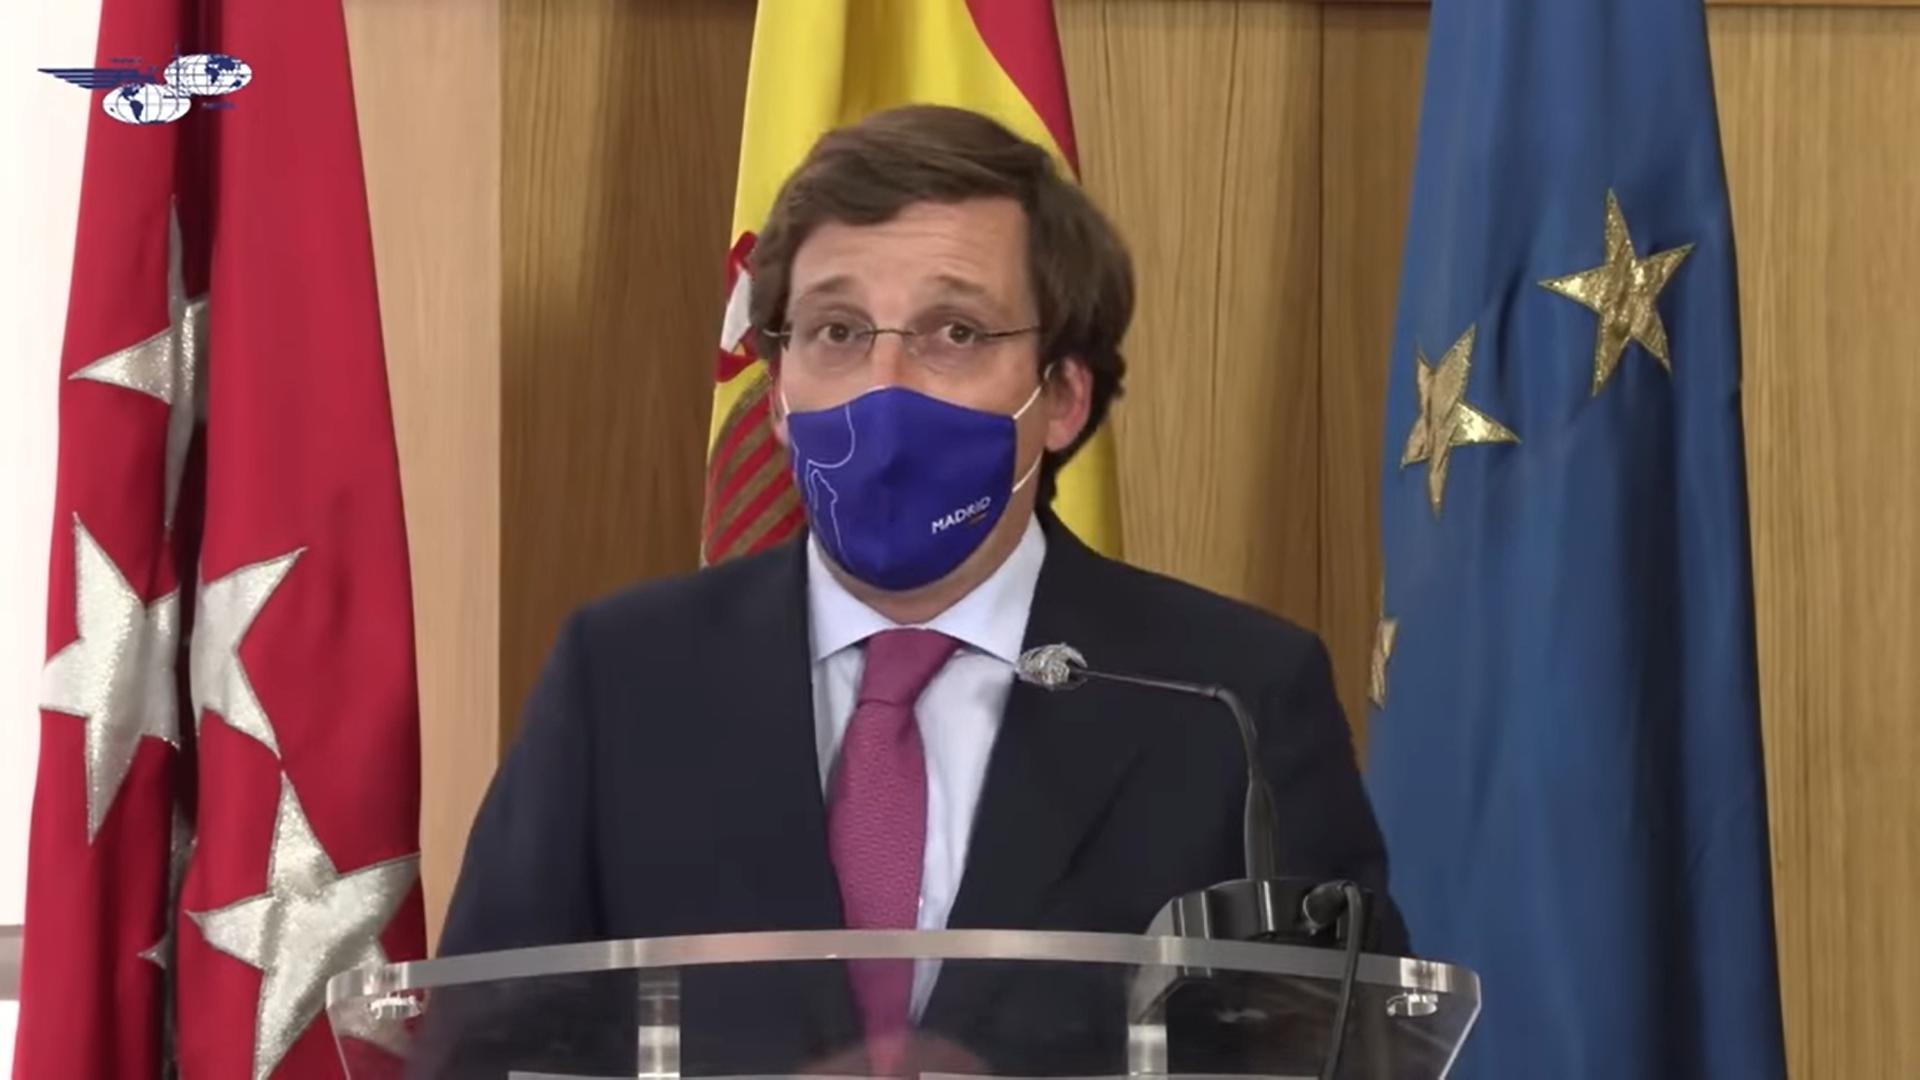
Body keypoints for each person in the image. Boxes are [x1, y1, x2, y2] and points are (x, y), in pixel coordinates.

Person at [436, 103, 1405, 1076]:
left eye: (956, 331)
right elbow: (477, 1052)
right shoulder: (626, 677)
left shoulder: (1229, 698)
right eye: (837, 330)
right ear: (777, 394)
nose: (884, 384)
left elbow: (1340, 1055)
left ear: (1062, 398)